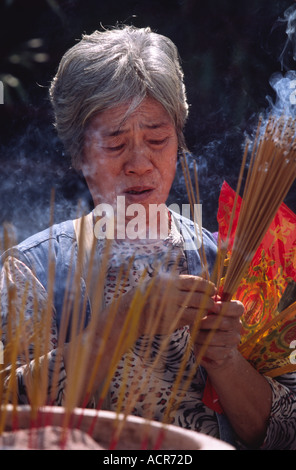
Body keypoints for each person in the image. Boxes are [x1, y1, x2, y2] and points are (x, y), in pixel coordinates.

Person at [1, 25, 296, 450]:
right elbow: (9, 412)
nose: (140, 163)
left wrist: (227, 362)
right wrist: (115, 327)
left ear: (178, 140)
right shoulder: (35, 269)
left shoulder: (232, 264)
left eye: (157, 139)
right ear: (79, 155)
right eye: (115, 144)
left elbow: (284, 433)